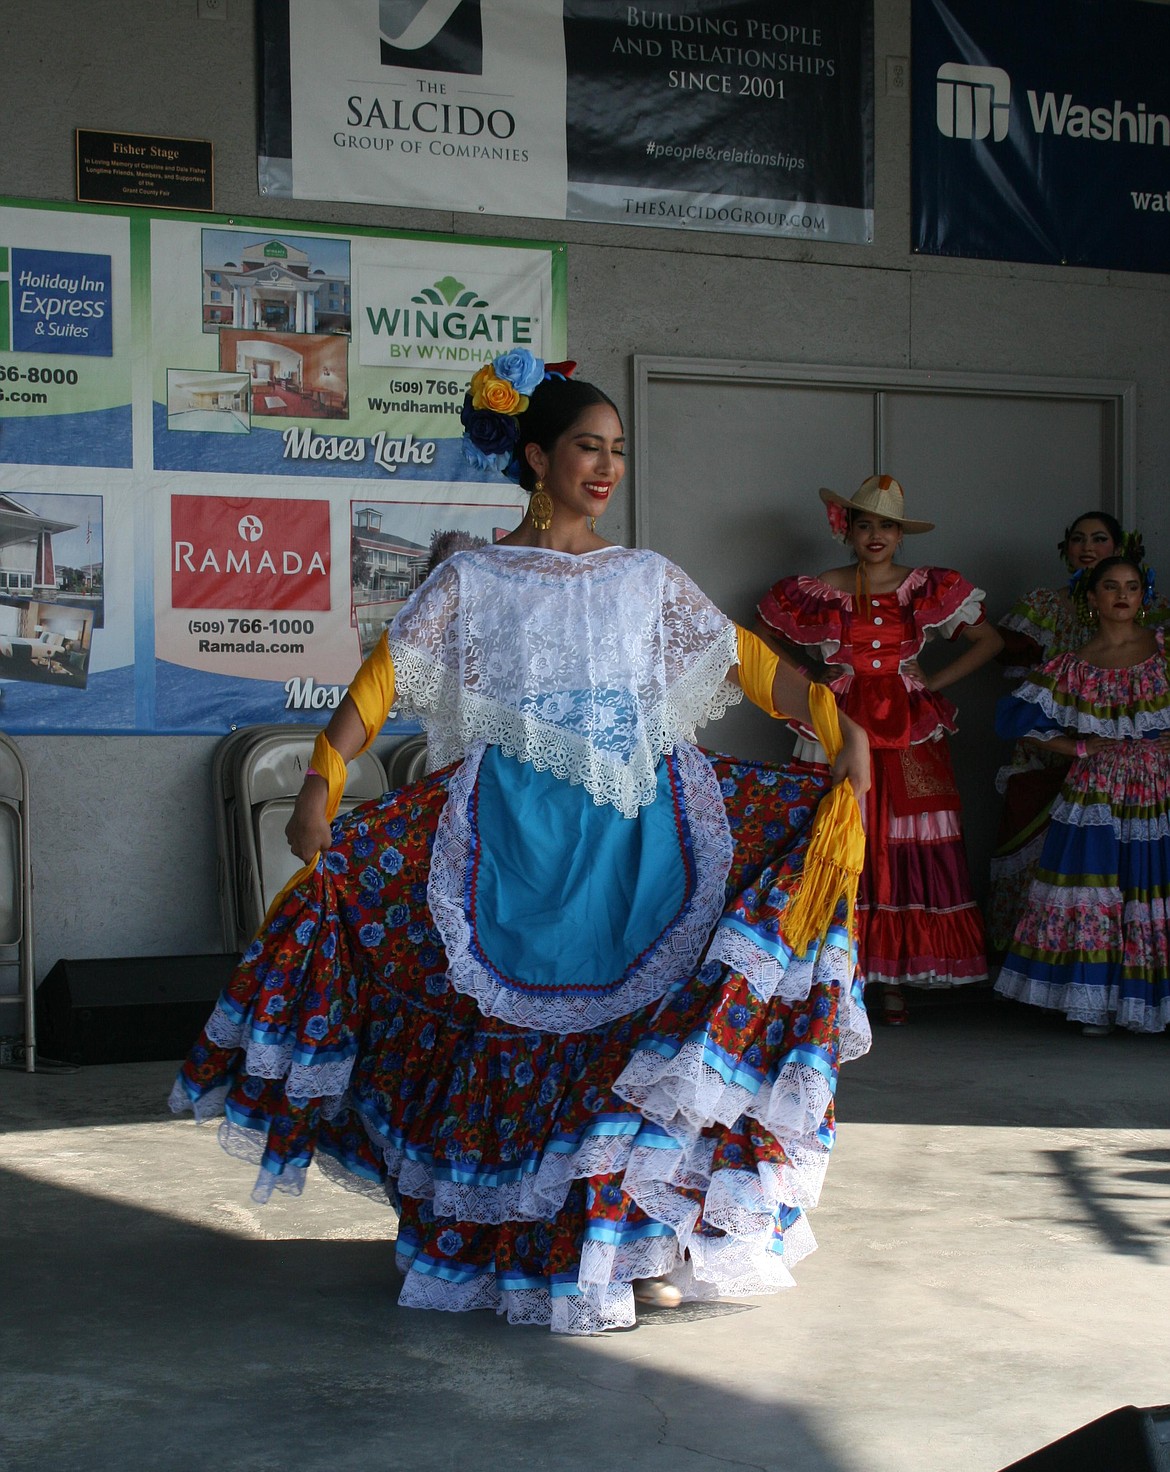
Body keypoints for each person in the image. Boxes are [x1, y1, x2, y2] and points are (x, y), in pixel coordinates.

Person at [171, 350, 872, 1335]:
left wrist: (847, 729)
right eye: (588, 447)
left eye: (619, 451)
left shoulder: (646, 579)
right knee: (520, 1039)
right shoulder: (472, 578)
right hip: (512, 843)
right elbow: (377, 687)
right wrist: (321, 783)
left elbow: (760, 671)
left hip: (644, 842)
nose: (607, 467)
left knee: (625, 1052)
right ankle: (525, 1247)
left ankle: (624, 1242)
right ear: (537, 455)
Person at [755, 476, 1002, 1024]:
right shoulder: (820, 587)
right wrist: (808, 679)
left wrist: (933, 683)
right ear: (847, 529)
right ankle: (836, 976)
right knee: (842, 829)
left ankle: (895, 977)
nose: (874, 535)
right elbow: (760, 634)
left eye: (885, 525)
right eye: (864, 524)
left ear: (899, 534)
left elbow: (990, 641)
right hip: (839, 721)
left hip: (910, 723)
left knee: (904, 835)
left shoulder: (925, 587)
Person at [995, 554, 1170, 1035]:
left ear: (1143, 596)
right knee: (1101, 887)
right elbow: (1017, 719)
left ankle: (1153, 1002)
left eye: (1132, 587)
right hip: (1098, 790)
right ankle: (1096, 1002)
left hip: (1159, 784)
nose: (1122, 595)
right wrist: (1078, 745)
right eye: (1111, 586)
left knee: (1152, 884)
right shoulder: (1074, 666)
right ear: (1091, 598)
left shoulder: (1165, 651)